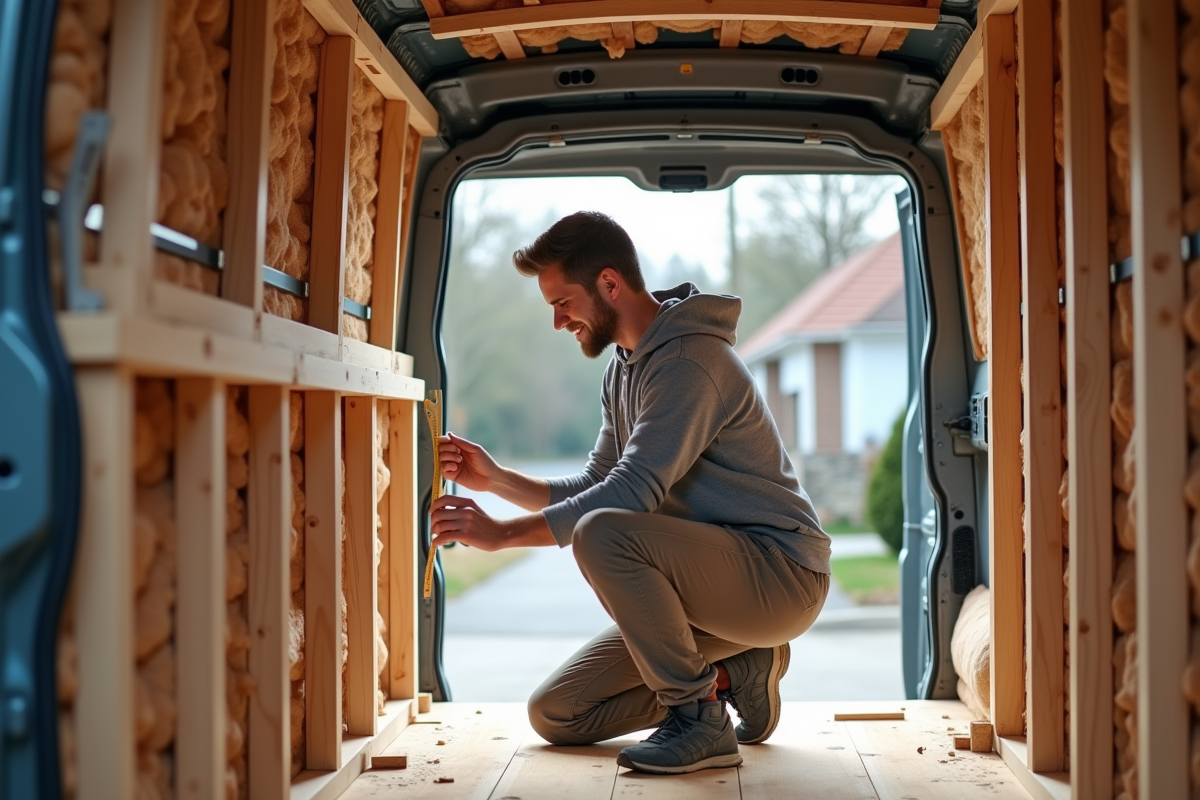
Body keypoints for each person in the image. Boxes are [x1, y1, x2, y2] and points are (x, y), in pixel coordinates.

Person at [430, 211, 831, 774]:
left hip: (779, 576)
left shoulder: (692, 361)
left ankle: (698, 721)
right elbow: (599, 482)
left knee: (602, 533)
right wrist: (496, 480)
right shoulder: (623, 369)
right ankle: (736, 673)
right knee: (557, 714)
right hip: (708, 591)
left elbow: (629, 494)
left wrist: (502, 536)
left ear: (610, 284)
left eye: (562, 302)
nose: (557, 321)